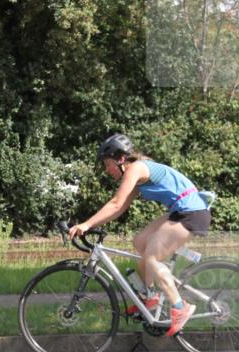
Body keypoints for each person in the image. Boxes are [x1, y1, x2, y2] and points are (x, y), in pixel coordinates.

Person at [68, 134, 211, 336]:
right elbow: (119, 209)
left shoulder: (136, 169)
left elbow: (115, 203)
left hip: (191, 213)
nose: (106, 170)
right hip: (181, 211)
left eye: (108, 164)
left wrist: (86, 224)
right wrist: (90, 225)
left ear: (120, 159)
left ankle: (181, 306)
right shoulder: (137, 176)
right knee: (140, 241)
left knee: (152, 258)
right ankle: (150, 297)